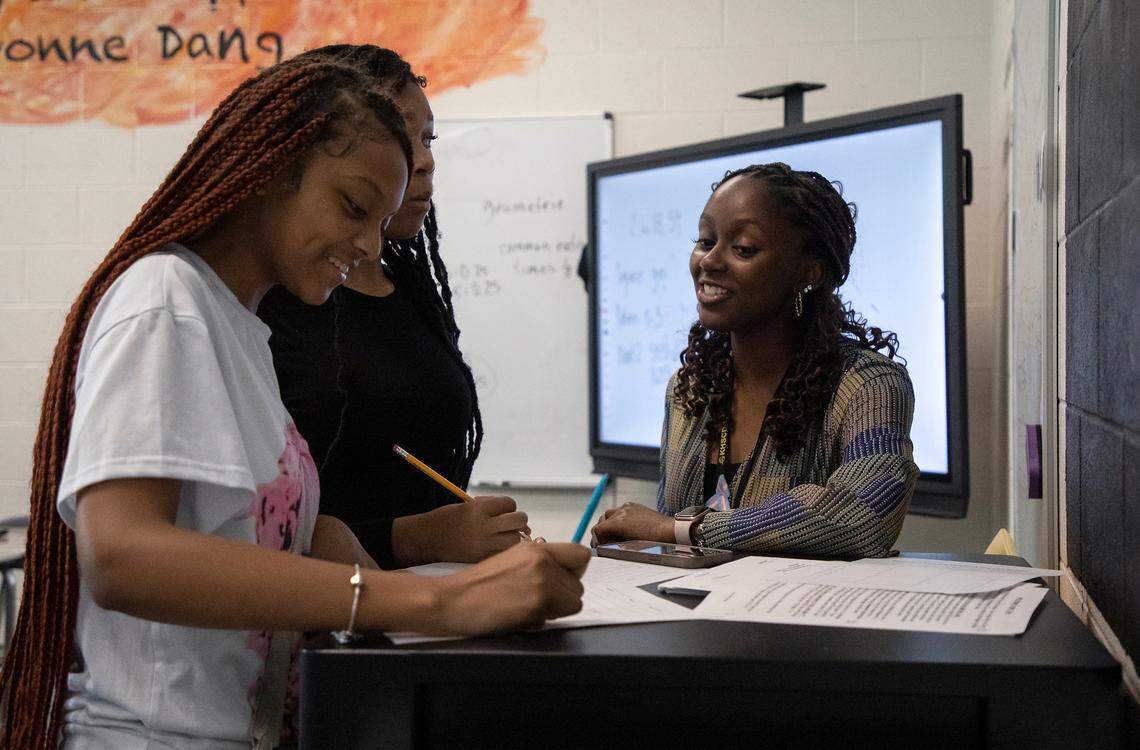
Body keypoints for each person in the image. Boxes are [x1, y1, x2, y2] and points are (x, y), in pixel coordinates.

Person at [0, 55, 589, 750]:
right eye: (353, 206)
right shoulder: (165, 300)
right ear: (271, 173)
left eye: (381, 219)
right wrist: (443, 600)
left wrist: (322, 534)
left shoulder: (240, 328)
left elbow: (222, 522)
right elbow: (123, 556)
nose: (370, 242)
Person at [257, 45, 523, 569]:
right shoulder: (267, 299)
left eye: (429, 140)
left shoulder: (410, 285)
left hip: (406, 607)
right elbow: (267, 525)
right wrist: (414, 539)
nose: (423, 161)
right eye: (404, 136)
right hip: (325, 609)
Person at [592, 162, 918, 558]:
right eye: (705, 240)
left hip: (806, 617)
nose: (709, 261)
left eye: (742, 248)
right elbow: (671, 551)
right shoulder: (689, 388)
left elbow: (863, 517)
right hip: (692, 616)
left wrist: (677, 528)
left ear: (808, 272)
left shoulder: (867, 387)